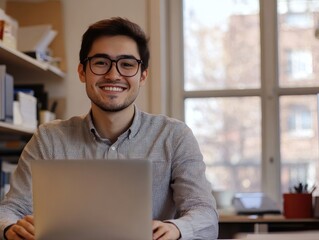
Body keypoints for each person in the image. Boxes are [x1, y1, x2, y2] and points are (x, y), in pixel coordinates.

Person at [0, 17, 218, 240]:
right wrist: (9, 228)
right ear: (82, 72)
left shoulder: (174, 136)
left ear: (142, 75)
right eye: (101, 62)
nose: (114, 75)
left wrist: (176, 229)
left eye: (127, 64)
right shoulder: (48, 138)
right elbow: (10, 209)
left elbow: (205, 213)